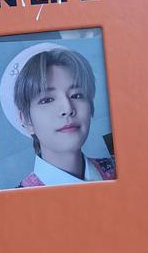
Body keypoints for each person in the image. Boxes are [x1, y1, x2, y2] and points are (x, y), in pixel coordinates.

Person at [13, 47, 116, 187]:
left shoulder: (120, 170)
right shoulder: (17, 198)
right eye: (47, 100)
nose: (67, 109)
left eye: (77, 95)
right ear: (26, 119)